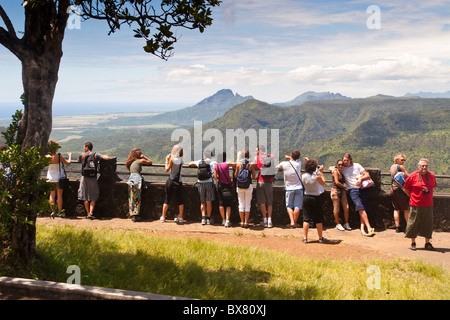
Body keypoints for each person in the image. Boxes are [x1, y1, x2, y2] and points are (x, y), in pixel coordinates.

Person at [403, 158, 437, 251]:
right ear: (419, 166)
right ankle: (413, 242)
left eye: (426, 166)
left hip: (428, 204)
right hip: (415, 204)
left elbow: (433, 186)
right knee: (413, 223)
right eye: (422, 166)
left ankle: (427, 243)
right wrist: (414, 196)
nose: (424, 167)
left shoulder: (431, 175)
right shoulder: (412, 176)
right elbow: (406, 189)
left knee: (428, 223)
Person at [341, 153, 374, 236]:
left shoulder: (357, 166)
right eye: (344, 160)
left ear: (350, 160)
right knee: (360, 207)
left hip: (362, 188)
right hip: (352, 190)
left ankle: (362, 228)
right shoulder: (343, 168)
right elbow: (332, 168)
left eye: (346, 160)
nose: (345, 162)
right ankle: (369, 227)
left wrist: (361, 179)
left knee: (362, 208)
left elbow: (367, 175)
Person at [77, 142, 111, 219]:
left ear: (86, 148)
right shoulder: (96, 155)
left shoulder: (82, 155)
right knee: (93, 195)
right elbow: (106, 157)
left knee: (85, 195)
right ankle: (91, 213)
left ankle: (87, 213)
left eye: (84, 147)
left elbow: (78, 160)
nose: (83, 148)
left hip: (84, 177)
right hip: (93, 177)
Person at [301, 158, 327, 243]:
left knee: (306, 218)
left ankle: (305, 238)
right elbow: (323, 182)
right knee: (318, 218)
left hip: (306, 197)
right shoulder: (317, 176)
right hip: (316, 198)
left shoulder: (303, 176)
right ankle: (320, 238)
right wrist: (321, 172)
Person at [276, 150, 304, 228]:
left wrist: (288, 158)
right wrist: (290, 157)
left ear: (291, 155)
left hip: (289, 188)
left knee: (289, 206)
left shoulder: (283, 164)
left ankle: (291, 221)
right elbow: (295, 160)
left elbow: (276, 168)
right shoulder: (299, 163)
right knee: (297, 206)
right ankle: (294, 223)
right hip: (299, 188)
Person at [189, 150, 217, 225]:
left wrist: (194, 162)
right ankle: (208, 218)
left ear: (204, 155)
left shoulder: (200, 162)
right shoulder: (213, 163)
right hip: (209, 183)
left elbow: (190, 164)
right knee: (209, 202)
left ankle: (203, 218)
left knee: (202, 202)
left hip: (201, 183)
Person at [125, 148, 152, 222]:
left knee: (131, 198)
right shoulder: (140, 161)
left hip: (131, 180)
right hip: (136, 180)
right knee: (137, 198)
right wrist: (144, 156)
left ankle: (132, 214)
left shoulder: (132, 162)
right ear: (139, 155)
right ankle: (136, 215)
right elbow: (150, 162)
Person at [46, 140, 72, 218]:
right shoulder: (59, 156)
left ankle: (53, 212)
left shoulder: (47, 157)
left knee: (52, 195)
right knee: (59, 195)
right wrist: (70, 155)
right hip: (59, 178)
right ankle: (60, 212)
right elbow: (68, 163)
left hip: (50, 178)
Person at [161, 145, 185, 224]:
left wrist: (166, 160)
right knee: (180, 200)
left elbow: (166, 170)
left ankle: (163, 217)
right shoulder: (182, 160)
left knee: (167, 199)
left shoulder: (172, 159)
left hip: (171, 181)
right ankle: (180, 217)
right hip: (179, 181)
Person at [254, 145, 275, 228]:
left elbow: (254, 166)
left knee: (262, 202)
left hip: (261, 180)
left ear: (259, 150)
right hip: (269, 181)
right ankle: (270, 221)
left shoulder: (257, 158)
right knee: (270, 202)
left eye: (256, 150)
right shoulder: (271, 156)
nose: (256, 152)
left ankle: (264, 220)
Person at [214, 151, 236, 227]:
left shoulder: (216, 166)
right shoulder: (227, 164)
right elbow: (235, 164)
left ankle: (223, 220)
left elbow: (215, 177)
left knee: (221, 202)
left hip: (220, 185)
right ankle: (227, 220)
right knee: (228, 203)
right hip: (227, 185)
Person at [389, 153, 410, 232]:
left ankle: (397, 227)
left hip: (392, 189)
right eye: (402, 160)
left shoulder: (392, 167)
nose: (403, 161)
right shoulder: (400, 167)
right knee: (406, 209)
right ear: (397, 160)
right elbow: (408, 176)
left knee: (396, 209)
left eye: (404, 160)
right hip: (400, 190)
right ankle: (409, 227)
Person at [235, 150, 256, 228]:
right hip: (248, 186)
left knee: (241, 203)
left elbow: (235, 176)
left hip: (240, 186)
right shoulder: (251, 165)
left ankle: (242, 222)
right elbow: (253, 176)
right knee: (247, 204)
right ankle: (246, 222)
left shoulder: (238, 164)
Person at [330, 159, 350, 231]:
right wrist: (345, 187)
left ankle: (346, 223)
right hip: (335, 191)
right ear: (337, 165)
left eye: (342, 165)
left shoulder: (342, 172)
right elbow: (337, 182)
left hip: (342, 191)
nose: (340, 166)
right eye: (339, 165)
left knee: (346, 207)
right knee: (336, 208)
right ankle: (338, 224)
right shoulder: (335, 172)